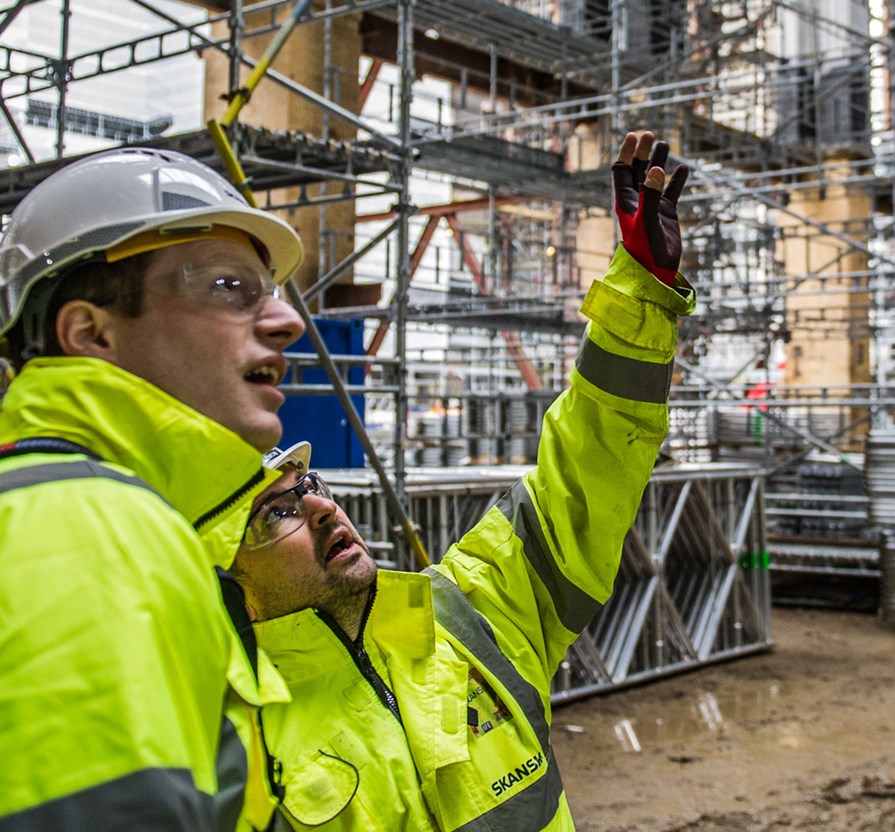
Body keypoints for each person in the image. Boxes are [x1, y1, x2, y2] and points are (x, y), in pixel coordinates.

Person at [228, 129, 695, 830]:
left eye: (311, 487)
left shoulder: (466, 616)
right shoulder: (233, 744)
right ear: (223, 570)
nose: (322, 511)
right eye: (276, 515)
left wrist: (640, 290)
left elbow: (588, 467)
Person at [0, 148, 307, 830]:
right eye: (230, 288)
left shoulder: (106, 513)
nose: (288, 322)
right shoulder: (86, 531)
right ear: (91, 332)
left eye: (272, 292)